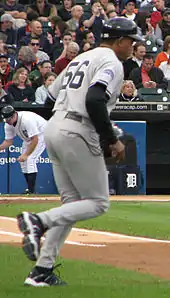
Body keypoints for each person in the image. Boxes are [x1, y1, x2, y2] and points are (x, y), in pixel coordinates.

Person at [17, 17, 142, 287]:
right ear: (119, 41)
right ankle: (38, 220)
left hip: (56, 124)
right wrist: (110, 138)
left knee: (72, 206)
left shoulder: (82, 57)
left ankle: (42, 270)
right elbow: (95, 98)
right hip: (78, 128)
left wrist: (62, 124)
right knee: (98, 202)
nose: (134, 46)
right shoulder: (111, 61)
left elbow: (50, 96)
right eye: (131, 41)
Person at [0, 105, 47, 194]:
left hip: (42, 134)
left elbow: (35, 139)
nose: (8, 121)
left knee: (30, 159)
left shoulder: (26, 120)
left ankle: (31, 191)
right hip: (29, 138)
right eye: (6, 119)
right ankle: (29, 189)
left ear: (14, 115)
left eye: (9, 119)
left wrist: (26, 155)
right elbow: (8, 141)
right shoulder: (8, 124)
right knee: (23, 161)